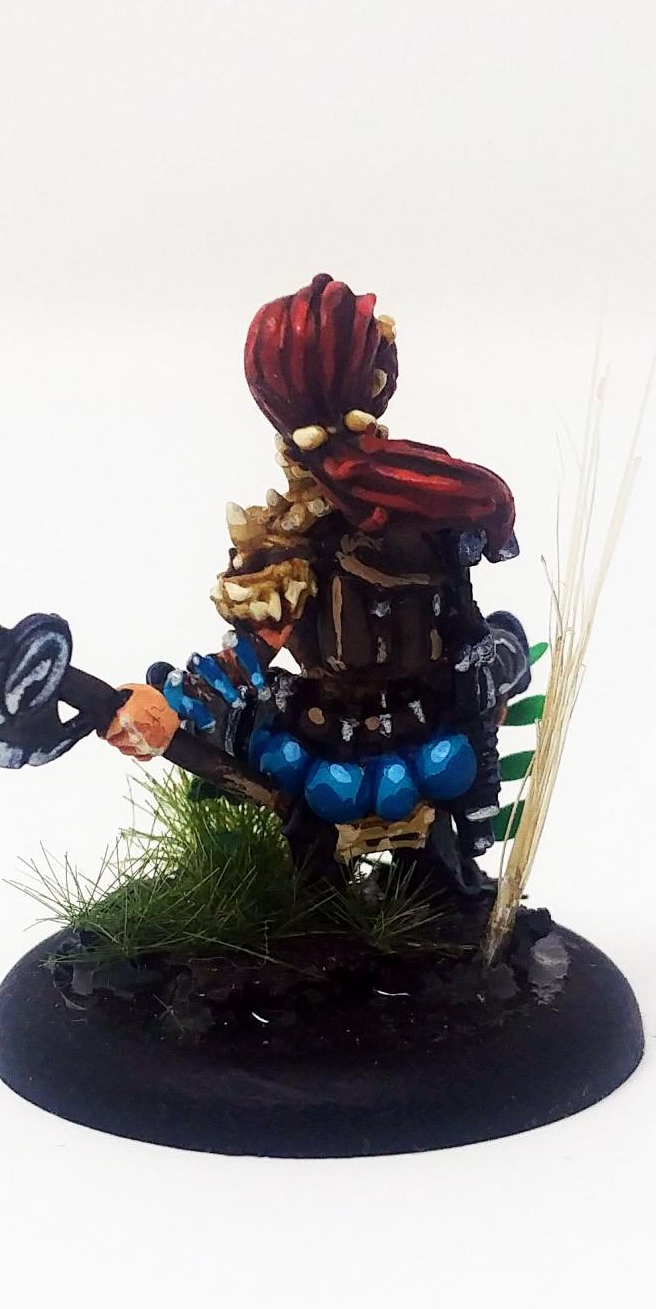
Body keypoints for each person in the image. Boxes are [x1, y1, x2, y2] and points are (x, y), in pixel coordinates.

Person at [104, 275, 530, 896]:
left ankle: (442, 904)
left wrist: (488, 673)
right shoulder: (300, 537)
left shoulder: (431, 504)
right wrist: (173, 705)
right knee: (316, 858)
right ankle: (321, 927)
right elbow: (253, 648)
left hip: (429, 720)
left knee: (436, 863)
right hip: (325, 732)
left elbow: (461, 622)